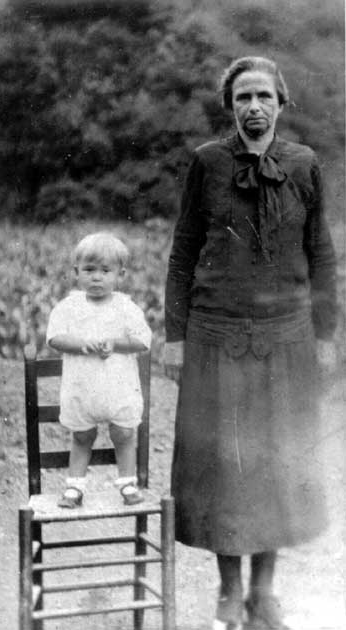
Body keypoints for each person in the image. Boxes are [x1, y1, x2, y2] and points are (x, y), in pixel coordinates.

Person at [164, 56, 337, 630]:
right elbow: (184, 250)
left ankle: (264, 594)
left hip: (287, 336)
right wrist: (174, 336)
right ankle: (228, 593)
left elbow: (321, 254)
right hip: (215, 336)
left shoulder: (304, 164)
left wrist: (326, 335)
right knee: (223, 466)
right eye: (243, 97)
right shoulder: (207, 163)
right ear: (230, 106)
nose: (254, 107)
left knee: (278, 465)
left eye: (264, 96)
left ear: (282, 103)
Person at [47, 232, 151, 508]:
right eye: (89, 270)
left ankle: (128, 483)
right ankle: (74, 486)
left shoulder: (126, 307)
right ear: (76, 272)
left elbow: (143, 340)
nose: (96, 277)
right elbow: (54, 338)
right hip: (83, 387)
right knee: (82, 436)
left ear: (120, 275)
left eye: (105, 271)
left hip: (118, 386)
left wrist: (115, 343)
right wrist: (82, 345)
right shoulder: (68, 307)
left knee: (124, 433)